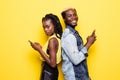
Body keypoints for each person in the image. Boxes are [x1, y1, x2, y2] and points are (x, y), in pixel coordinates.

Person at [61, 8, 96, 80]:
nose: (73, 17)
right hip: (75, 77)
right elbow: (76, 60)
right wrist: (89, 43)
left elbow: (76, 53)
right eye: (69, 16)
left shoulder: (73, 33)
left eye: (74, 14)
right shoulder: (69, 36)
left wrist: (88, 42)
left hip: (80, 75)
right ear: (64, 19)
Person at [29, 14, 62, 80]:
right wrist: (41, 48)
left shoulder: (52, 40)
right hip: (50, 72)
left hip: (48, 72)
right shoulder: (57, 37)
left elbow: (53, 64)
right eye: (44, 27)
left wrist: (39, 49)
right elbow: (50, 55)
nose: (45, 29)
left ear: (54, 25)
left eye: (48, 27)